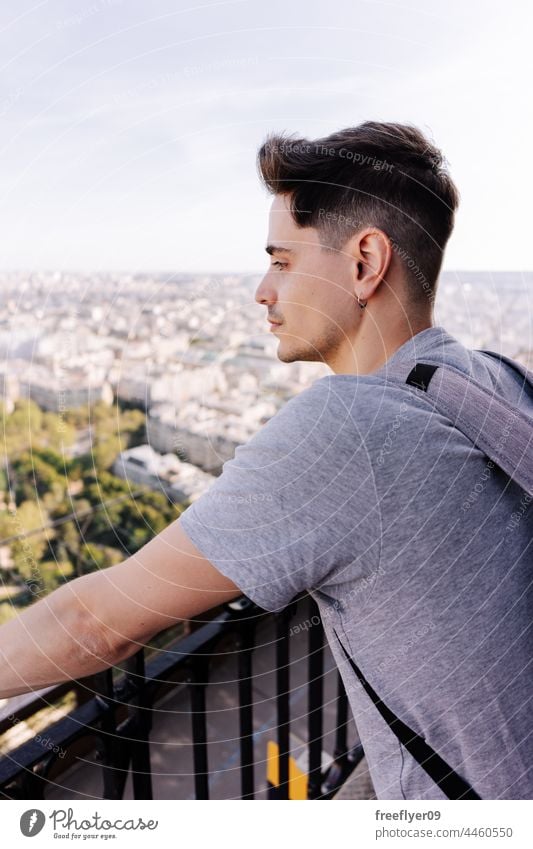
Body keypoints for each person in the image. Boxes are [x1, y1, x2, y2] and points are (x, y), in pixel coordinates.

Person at [0, 122, 531, 800]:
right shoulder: (495, 378)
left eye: (281, 260)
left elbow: (95, 623)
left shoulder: (350, 425)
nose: (261, 289)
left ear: (365, 262)